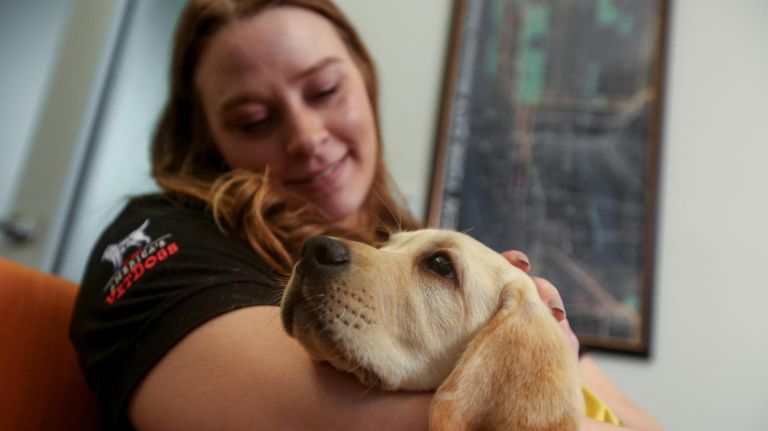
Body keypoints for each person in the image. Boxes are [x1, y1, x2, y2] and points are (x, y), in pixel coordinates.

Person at [69, 1, 662, 430]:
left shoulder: (410, 244)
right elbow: (321, 421)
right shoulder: (158, 239)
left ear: (365, 82)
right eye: (253, 119)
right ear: (206, 138)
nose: (306, 136)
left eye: (324, 90)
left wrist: (535, 357)